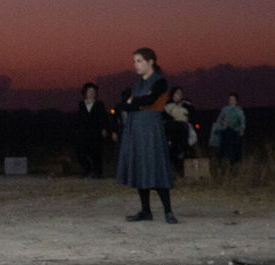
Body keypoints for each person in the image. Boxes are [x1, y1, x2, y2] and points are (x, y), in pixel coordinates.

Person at [115, 48, 177, 222]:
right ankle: (145, 211)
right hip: (136, 128)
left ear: (151, 62)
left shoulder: (160, 82)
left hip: (151, 128)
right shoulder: (137, 85)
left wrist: (134, 101)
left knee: (156, 165)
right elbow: (127, 106)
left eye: (139, 61)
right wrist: (134, 103)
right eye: (134, 61)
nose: (136, 65)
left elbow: (149, 100)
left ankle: (168, 211)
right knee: (140, 167)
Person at [75, 82, 108, 178]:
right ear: (85, 92)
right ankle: (87, 170)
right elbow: (79, 118)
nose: (92, 93)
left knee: (96, 153)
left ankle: (98, 173)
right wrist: (77, 130)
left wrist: (104, 129)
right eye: (90, 91)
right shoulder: (81, 104)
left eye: (93, 91)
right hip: (84, 132)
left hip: (96, 132)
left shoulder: (99, 104)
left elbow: (103, 117)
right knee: (81, 153)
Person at [163, 85, 195, 174]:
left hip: (183, 131)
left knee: (183, 151)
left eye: (181, 93)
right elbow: (165, 117)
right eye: (177, 93)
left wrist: (188, 106)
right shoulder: (168, 105)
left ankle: (182, 171)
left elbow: (192, 115)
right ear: (173, 94)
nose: (179, 95)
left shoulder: (185, 105)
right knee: (172, 152)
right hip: (171, 132)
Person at [211, 92, 246, 167]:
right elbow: (219, 119)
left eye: (233, 100)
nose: (231, 101)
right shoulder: (224, 109)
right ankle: (222, 163)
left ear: (236, 101)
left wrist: (242, 129)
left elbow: (242, 120)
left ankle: (233, 163)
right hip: (225, 131)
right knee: (224, 149)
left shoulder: (238, 110)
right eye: (230, 99)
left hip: (235, 131)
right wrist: (222, 123)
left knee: (235, 150)